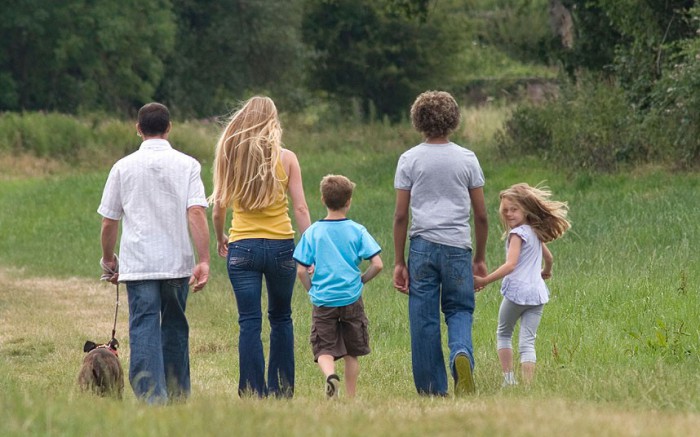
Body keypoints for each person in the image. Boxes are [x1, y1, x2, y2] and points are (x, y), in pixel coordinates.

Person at [98, 102, 210, 404]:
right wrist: (203, 259)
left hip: (139, 263)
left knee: (144, 326)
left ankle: (152, 398)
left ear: (138, 129)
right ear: (169, 127)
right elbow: (196, 212)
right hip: (176, 263)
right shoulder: (188, 165)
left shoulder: (122, 167)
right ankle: (176, 395)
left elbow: (110, 220)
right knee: (174, 326)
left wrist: (109, 260)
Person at [210, 96, 311, 398]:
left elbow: (218, 209)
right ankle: (281, 390)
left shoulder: (230, 156)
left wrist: (220, 238)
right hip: (282, 247)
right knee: (281, 317)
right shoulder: (287, 158)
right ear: (272, 121)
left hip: (242, 248)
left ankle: (252, 391)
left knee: (249, 321)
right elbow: (302, 208)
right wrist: (309, 251)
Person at [393, 90, 489, 397]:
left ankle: (433, 389)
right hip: (458, 247)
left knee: (423, 317)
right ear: (454, 120)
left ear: (418, 120)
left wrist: (399, 261)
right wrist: (480, 256)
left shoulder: (409, 159)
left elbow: (400, 215)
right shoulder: (466, 158)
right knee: (460, 308)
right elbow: (482, 214)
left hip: (422, 247)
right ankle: (461, 353)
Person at [293, 175, 383, 399]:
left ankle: (330, 376)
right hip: (351, 298)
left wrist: (311, 289)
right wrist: (362, 279)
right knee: (352, 352)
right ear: (349, 201)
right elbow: (378, 264)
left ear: (323, 199)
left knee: (324, 348)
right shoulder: (357, 230)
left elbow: (302, 270)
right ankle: (351, 398)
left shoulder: (313, 232)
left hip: (323, 300)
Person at [474, 183, 570, 387]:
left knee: (504, 333)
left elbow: (510, 265)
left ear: (526, 209)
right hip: (537, 294)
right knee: (528, 341)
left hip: (517, 293)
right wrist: (546, 271)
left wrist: (485, 280)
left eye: (514, 209)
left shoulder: (517, 234)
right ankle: (527, 386)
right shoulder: (535, 232)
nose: (509, 214)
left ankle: (509, 379)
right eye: (505, 210)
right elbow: (550, 258)